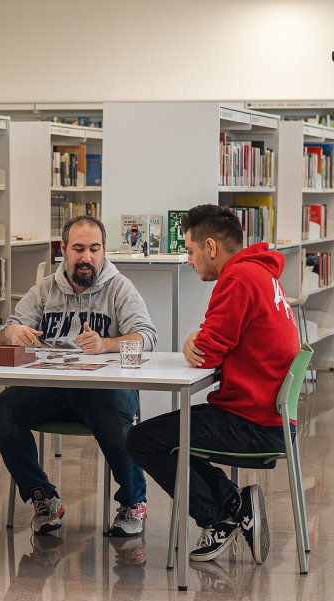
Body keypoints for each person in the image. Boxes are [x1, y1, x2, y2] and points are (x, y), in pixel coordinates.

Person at [125, 204, 301, 566]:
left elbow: (204, 354)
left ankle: (219, 517)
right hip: (270, 415)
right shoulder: (261, 274)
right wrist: (200, 341)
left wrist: (196, 342)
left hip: (254, 422)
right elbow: (215, 344)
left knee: (143, 440)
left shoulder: (237, 279)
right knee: (167, 436)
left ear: (210, 247)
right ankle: (235, 504)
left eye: (189, 251)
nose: (189, 261)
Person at [0, 215, 157, 537]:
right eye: (78, 249)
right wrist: (14, 332)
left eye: (94, 249)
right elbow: (6, 328)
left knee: (116, 416)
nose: (87, 258)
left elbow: (146, 336)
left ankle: (133, 501)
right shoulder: (45, 290)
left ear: (105, 250)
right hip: (51, 386)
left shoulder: (120, 287)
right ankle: (43, 497)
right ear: (63, 249)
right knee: (1, 410)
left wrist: (107, 344)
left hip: (103, 388)